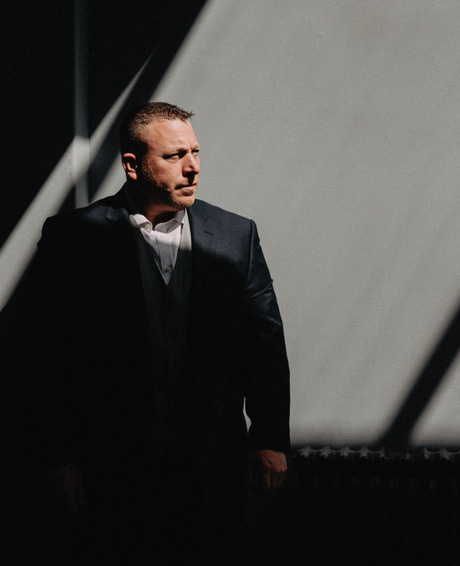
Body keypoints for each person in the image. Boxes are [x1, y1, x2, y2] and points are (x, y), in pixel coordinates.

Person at [17, 101, 290, 563]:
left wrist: (269, 436)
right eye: (174, 156)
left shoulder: (234, 235)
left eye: (195, 153)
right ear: (132, 165)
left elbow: (263, 342)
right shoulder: (74, 238)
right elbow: (43, 355)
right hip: (110, 467)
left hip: (210, 466)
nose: (192, 167)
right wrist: (54, 458)